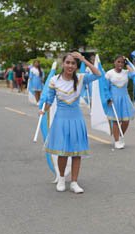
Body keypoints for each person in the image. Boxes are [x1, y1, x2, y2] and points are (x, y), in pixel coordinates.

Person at [42, 51, 101, 193]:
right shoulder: (54, 80)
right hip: (61, 120)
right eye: (67, 62)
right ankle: (61, 179)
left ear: (76, 66)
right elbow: (49, 99)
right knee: (62, 152)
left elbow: (98, 74)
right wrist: (43, 110)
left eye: (73, 63)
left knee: (76, 152)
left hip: (76, 119)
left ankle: (74, 182)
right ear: (63, 64)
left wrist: (83, 59)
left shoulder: (81, 78)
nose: (70, 65)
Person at [104, 55, 135, 149]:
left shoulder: (126, 72)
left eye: (122, 62)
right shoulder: (109, 74)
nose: (120, 64)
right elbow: (105, 88)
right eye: (118, 61)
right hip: (114, 99)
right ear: (114, 62)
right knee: (116, 120)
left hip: (125, 98)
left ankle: (119, 136)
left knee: (126, 121)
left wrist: (128, 62)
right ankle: (117, 140)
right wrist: (108, 98)